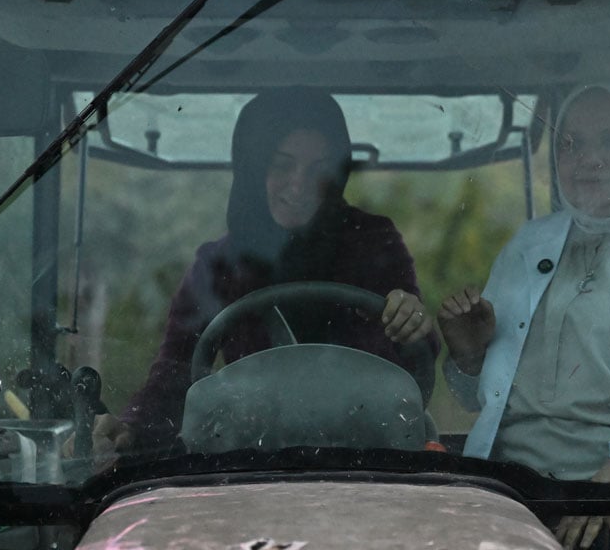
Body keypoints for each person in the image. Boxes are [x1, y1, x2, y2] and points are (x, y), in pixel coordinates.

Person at [439, 78, 610, 548]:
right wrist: (469, 355)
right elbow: (478, 398)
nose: (589, 159)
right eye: (570, 143)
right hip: (504, 488)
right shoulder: (528, 246)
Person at [93, 88, 437, 456]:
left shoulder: (373, 242)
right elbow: (173, 377)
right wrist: (128, 429)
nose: (300, 184)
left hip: (369, 462)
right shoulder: (219, 264)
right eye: (282, 165)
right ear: (253, 167)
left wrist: (410, 320)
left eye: (320, 169)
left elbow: (416, 351)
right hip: (252, 468)